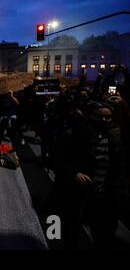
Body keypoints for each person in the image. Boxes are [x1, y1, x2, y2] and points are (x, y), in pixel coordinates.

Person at [56, 101, 127, 249]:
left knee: (104, 232)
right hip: (80, 191)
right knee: (71, 227)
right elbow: (60, 158)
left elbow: (118, 165)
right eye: (100, 117)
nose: (104, 121)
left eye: (108, 117)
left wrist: (116, 188)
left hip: (104, 192)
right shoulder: (77, 133)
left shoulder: (115, 135)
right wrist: (75, 173)